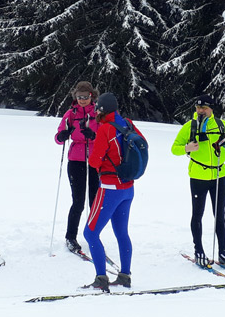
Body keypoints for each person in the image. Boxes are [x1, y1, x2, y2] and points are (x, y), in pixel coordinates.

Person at [171, 94, 225, 269]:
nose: (201, 111)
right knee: (198, 214)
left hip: (218, 176)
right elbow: (174, 148)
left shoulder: (221, 125)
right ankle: (199, 250)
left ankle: (223, 252)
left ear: (211, 109)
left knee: (220, 214)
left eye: (204, 108)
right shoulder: (190, 126)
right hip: (198, 176)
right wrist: (186, 148)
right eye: (198, 108)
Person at [83, 93, 145, 292]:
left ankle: (101, 279)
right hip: (128, 187)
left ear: (101, 110)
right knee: (121, 233)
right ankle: (125, 276)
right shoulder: (128, 123)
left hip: (110, 188)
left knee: (90, 233)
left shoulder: (105, 129)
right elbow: (141, 144)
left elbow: (94, 162)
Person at [54, 81, 100, 253]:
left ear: (91, 96)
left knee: (95, 201)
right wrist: (62, 135)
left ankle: (93, 235)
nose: (82, 100)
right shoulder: (70, 113)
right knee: (78, 201)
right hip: (76, 160)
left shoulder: (98, 113)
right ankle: (70, 237)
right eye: (79, 97)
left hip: (94, 160)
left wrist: (93, 135)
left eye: (85, 97)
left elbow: (105, 135)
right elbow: (58, 138)